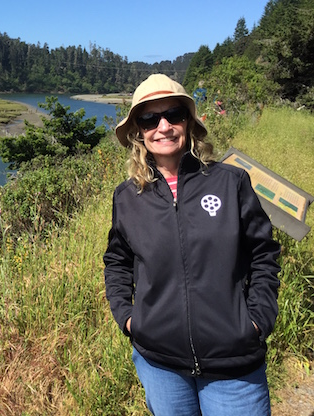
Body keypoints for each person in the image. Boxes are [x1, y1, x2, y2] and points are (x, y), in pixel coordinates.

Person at [103, 74, 281, 415]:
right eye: (149, 118)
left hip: (234, 364)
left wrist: (257, 319)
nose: (163, 126)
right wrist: (129, 318)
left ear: (189, 122)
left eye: (174, 114)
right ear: (138, 131)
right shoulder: (128, 197)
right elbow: (117, 261)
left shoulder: (230, 182)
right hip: (160, 365)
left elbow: (264, 253)